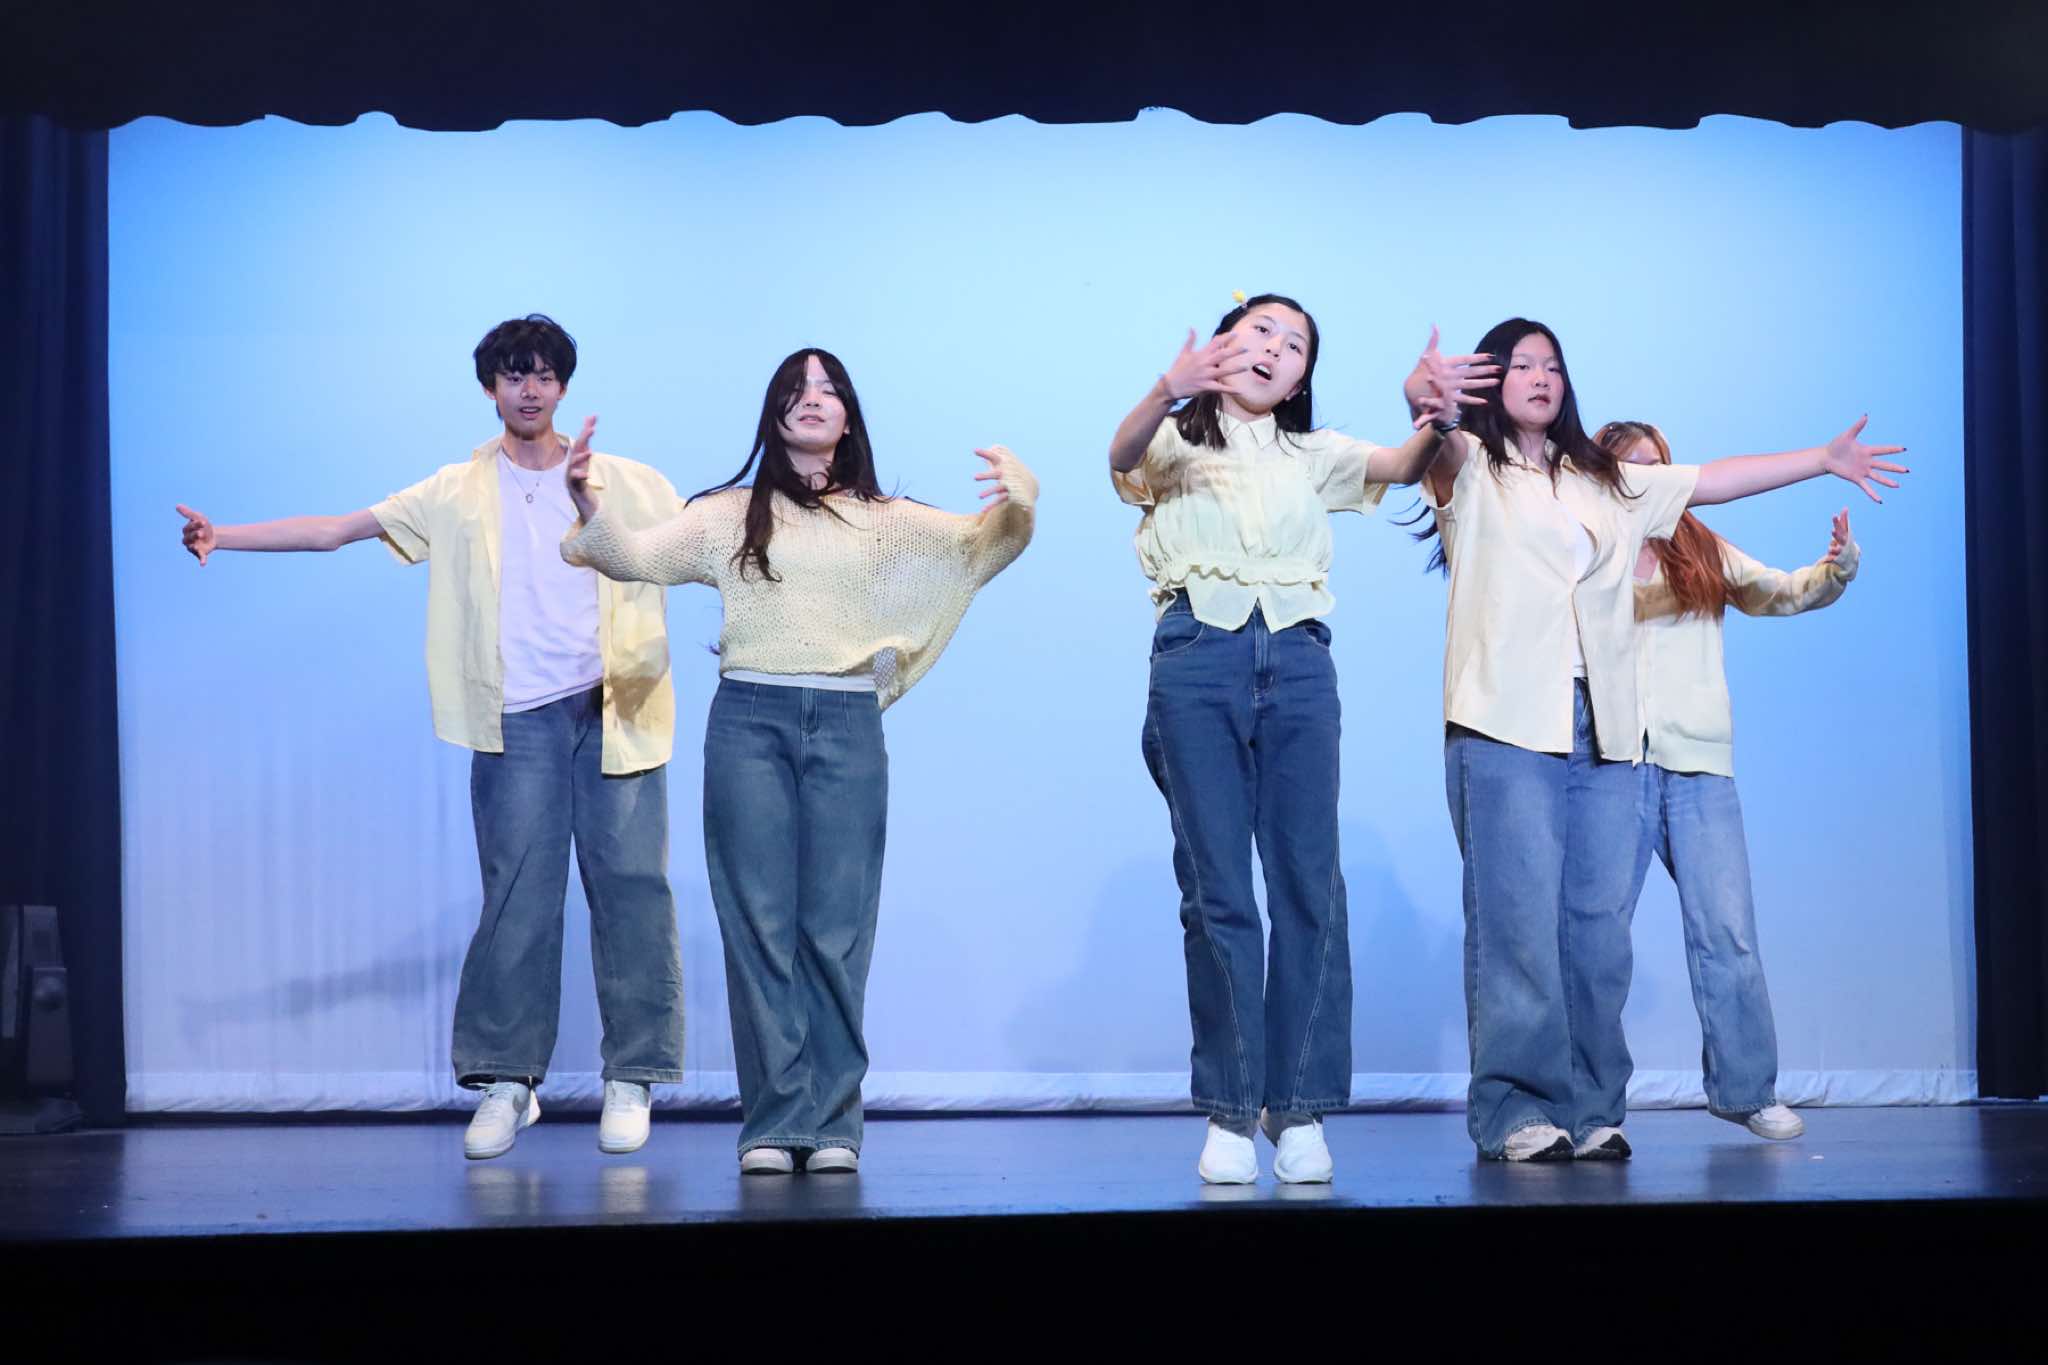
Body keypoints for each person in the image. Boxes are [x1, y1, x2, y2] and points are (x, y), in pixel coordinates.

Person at [177, 314, 686, 1160]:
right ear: (490, 388)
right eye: (514, 374)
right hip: (516, 715)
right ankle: (508, 1081)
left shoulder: (626, 480)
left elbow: (700, 544)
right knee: (517, 895)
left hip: (617, 705)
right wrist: (223, 536)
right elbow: (337, 529)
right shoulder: (456, 489)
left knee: (632, 888)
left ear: (564, 385)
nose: (529, 389)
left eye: (544, 374)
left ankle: (632, 1075)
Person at [1404, 318, 1904, 1160]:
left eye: (1552, 365)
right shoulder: (1474, 466)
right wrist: (1425, 399)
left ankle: (1591, 1106)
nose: (1541, 376)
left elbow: (1715, 479)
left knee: (1596, 936)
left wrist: (1821, 458)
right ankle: (1515, 1109)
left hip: (1604, 727)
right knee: (1518, 926)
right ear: (1490, 380)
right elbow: (1435, 439)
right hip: (1505, 718)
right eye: (1521, 365)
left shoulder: (1604, 483)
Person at [558, 347, 1036, 1175]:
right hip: (750, 717)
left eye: (828, 389)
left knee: (838, 926)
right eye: (795, 389)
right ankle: (775, 1123)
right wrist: (585, 504)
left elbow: (980, 547)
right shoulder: (726, 514)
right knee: (759, 923)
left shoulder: (889, 519)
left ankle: (834, 1122)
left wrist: (1020, 496)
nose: (813, 399)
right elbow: (634, 557)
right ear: (773, 414)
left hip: (847, 719)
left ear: (848, 417)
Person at [1108, 293, 1494, 1184]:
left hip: (1298, 658)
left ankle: (1301, 1106)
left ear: (1299, 380)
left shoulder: (1313, 453)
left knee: (1310, 884)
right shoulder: (1175, 440)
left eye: (1295, 346)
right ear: (1220, 346)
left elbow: (1399, 464)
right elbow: (1121, 456)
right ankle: (1231, 1107)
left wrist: (1435, 416)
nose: (1275, 349)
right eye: (1260, 332)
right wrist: (1166, 389)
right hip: (1196, 652)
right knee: (1217, 890)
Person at [1600, 418, 1859, 1142]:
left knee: (1728, 934)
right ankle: (1589, 1108)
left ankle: (1748, 1090)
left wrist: (1836, 566)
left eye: (1658, 465)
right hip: (1610, 766)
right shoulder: (1588, 545)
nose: (1649, 479)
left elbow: (1780, 592)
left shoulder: (1700, 545)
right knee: (1596, 943)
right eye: (1632, 467)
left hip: (1698, 768)